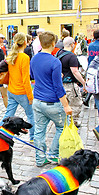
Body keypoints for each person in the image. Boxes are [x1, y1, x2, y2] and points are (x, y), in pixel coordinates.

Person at [30, 31, 72, 167]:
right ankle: (53, 155)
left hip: (37, 101)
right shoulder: (55, 61)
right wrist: (66, 106)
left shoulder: (34, 58)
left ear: (41, 43)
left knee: (39, 131)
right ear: (54, 44)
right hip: (52, 102)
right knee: (61, 127)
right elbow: (58, 87)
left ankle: (40, 158)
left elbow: (33, 75)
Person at [0, 32, 34, 142]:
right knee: (31, 115)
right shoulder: (24, 57)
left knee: (8, 114)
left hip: (11, 90)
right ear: (25, 42)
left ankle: (0, 131)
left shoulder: (11, 56)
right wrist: (30, 96)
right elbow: (25, 79)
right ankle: (33, 137)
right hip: (21, 92)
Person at [56, 37, 86, 127]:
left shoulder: (59, 53)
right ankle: (73, 122)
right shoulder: (72, 56)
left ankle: (62, 121)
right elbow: (75, 72)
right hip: (70, 85)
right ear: (72, 44)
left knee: (62, 104)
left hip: (60, 83)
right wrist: (83, 83)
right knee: (75, 104)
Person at [84, 29, 99, 107]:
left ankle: (87, 99)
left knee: (92, 83)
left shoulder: (91, 45)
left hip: (91, 66)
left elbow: (89, 56)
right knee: (98, 83)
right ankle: (96, 103)